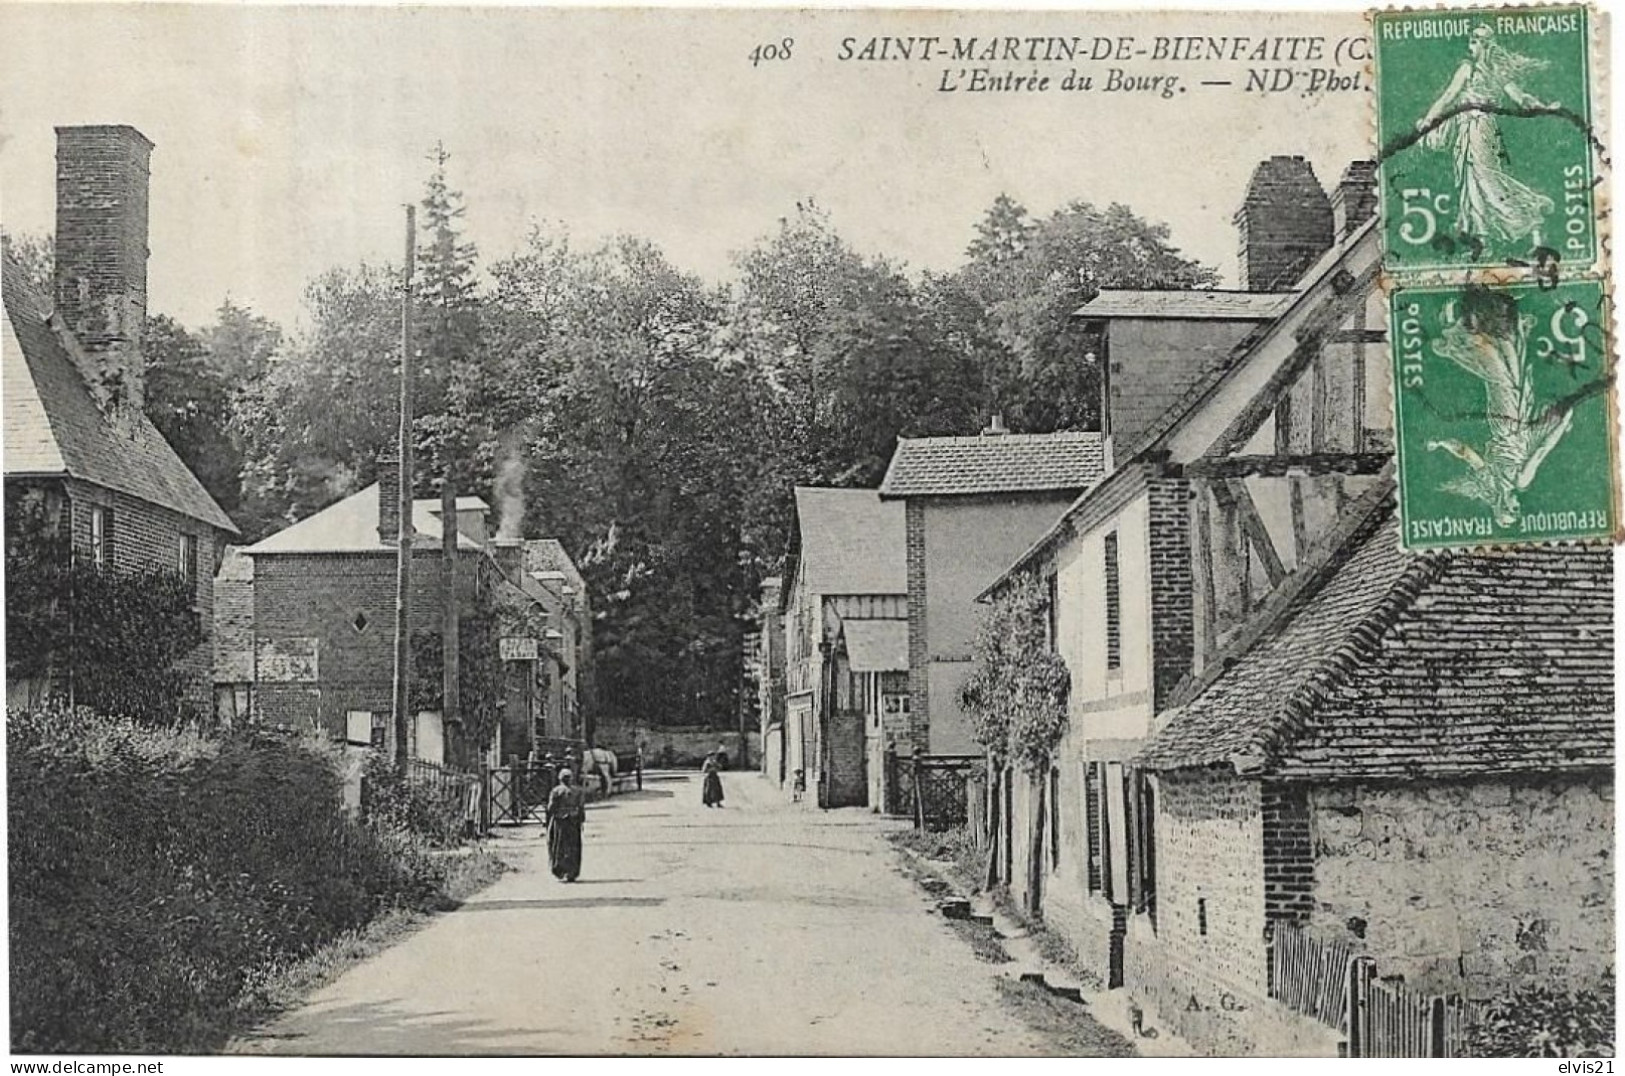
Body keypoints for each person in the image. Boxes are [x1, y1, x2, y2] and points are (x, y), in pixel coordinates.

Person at [1416, 24, 1558, 247]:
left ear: (1481, 45)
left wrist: (1427, 120)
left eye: (1473, 41)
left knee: (1482, 177)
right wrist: (1544, 107)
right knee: (1474, 177)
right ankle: (1482, 235)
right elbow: (1521, 99)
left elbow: (1448, 97)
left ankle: (1528, 211)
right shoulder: (1498, 72)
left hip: (1475, 128)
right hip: (1483, 127)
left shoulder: (1468, 69)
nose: (1470, 46)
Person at [545, 769, 586, 882]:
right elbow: (581, 807)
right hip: (573, 821)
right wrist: (581, 820)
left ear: (560, 779)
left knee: (558, 845)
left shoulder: (556, 791)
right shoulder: (578, 791)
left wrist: (549, 820)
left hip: (559, 822)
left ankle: (560, 870)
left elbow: (550, 808)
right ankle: (572, 872)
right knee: (574, 846)